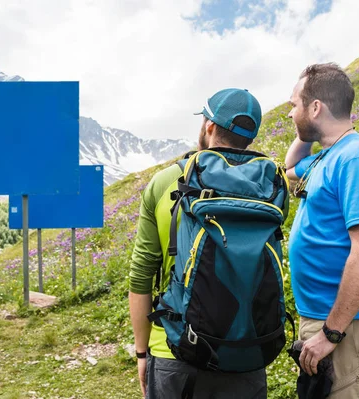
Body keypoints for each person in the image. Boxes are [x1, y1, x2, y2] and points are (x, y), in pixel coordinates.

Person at [129, 88, 269, 399]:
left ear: (208, 126)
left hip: (174, 349)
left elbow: (141, 277)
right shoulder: (268, 186)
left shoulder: (166, 181)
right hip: (247, 349)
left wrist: (142, 354)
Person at [285, 63, 359, 399]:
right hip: (327, 316)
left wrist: (331, 334)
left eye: (294, 105)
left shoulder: (357, 159)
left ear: (315, 107)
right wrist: (305, 132)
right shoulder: (327, 157)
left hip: (347, 324)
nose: (290, 114)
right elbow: (290, 169)